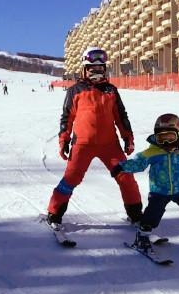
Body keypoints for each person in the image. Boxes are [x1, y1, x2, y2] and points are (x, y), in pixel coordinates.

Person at [46, 46, 142, 226]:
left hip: (109, 145)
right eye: (92, 69)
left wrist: (128, 137)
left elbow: (121, 116)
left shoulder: (111, 91)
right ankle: (54, 214)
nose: (96, 72)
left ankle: (136, 215)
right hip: (83, 145)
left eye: (100, 68)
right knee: (71, 179)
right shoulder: (75, 90)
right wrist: (64, 140)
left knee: (126, 177)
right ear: (84, 69)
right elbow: (67, 117)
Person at [111, 113, 179, 255]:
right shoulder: (152, 153)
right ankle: (142, 238)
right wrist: (122, 167)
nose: (165, 142)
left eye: (170, 137)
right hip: (159, 192)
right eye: (161, 138)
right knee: (152, 215)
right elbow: (138, 163)